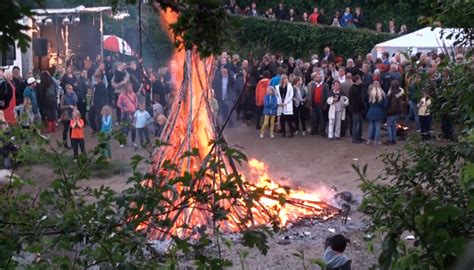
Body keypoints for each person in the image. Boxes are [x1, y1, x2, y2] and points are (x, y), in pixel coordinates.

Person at [117, 82, 138, 148]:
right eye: (129, 86)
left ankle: (133, 141)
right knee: (124, 128)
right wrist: (123, 108)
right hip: (125, 114)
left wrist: (135, 107)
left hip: (132, 113)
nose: (130, 88)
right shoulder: (122, 95)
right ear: (126, 87)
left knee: (133, 128)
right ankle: (122, 142)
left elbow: (136, 101)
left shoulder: (133, 94)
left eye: (131, 86)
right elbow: (118, 104)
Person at [385, 80, 404, 145]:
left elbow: (393, 104)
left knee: (389, 126)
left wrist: (389, 112)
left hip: (392, 112)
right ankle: (394, 138)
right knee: (394, 126)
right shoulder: (400, 92)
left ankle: (390, 139)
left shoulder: (393, 94)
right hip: (397, 111)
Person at [60, 84, 78, 148]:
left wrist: (76, 109)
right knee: (65, 130)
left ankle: (72, 143)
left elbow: (75, 104)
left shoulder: (73, 95)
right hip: (66, 116)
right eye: (70, 89)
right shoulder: (64, 96)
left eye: (72, 89)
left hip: (72, 115)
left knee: (71, 130)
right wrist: (69, 106)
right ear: (66, 90)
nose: (71, 90)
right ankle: (65, 144)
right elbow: (61, 107)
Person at [348, 75, 364, 143]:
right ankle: (355, 138)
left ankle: (358, 137)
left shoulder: (354, 88)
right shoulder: (355, 89)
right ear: (357, 80)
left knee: (358, 123)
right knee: (356, 124)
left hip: (355, 108)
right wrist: (363, 106)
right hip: (356, 109)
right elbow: (358, 100)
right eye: (360, 79)